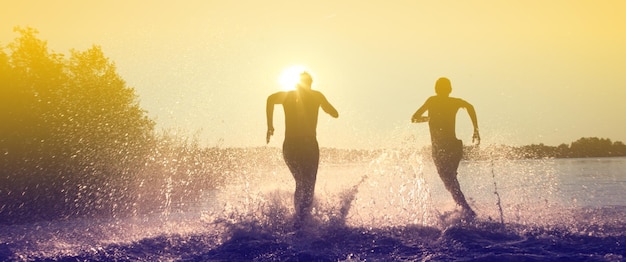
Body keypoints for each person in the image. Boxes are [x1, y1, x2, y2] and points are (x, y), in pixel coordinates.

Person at [266, 71, 339, 228]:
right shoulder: (316, 96)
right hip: (308, 146)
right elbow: (335, 113)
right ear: (310, 83)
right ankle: (302, 219)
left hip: (290, 146)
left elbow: (270, 99)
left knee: (300, 182)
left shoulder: (288, 96)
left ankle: (299, 218)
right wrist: (327, 108)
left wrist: (270, 125)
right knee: (308, 183)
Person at [411, 77, 480, 219]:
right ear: (450, 89)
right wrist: (475, 129)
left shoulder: (432, 101)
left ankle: (466, 210)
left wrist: (428, 119)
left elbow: (414, 118)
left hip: (440, 149)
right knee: (451, 180)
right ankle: (464, 210)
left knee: (449, 181)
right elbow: (470, 106)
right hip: (455, 146)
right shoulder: (454, 102)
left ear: (436, 89)